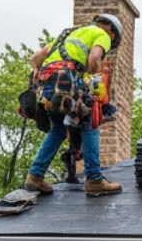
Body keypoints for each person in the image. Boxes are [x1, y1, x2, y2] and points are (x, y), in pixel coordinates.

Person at [22, 13, 124, 196]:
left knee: (59, 129)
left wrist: (40, 74)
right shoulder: (102, 35)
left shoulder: (67, 34)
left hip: (47, 84)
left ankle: (35, 176)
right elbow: (94, 61)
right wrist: (93, 72)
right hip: (68, 81)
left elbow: (35, 58)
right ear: (112, 32)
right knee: (90, 123)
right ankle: (94, 179)